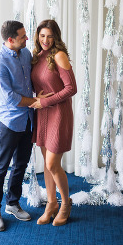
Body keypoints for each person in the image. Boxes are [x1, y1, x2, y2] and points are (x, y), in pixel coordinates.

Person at [0, 20, 51, 232]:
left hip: (28, 120)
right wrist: (35, 101)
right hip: (8, 122)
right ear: (10, 40)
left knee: (21, 165)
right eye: (23, 36)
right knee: (0, 168)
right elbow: (10, 97)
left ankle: (12, 203)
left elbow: (34, 78)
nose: (27, 38)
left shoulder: (25, 54)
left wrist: (42, 94)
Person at [29, 20, 78, 226]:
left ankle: (65, 203)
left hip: (58, 113)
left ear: (55, 37)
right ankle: (51, 204)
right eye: (42, 36)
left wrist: (45, 101)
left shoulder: (59, 55)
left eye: (49, 36)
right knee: (47, 165)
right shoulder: (37, 56)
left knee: (52, 163)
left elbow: (71, 88)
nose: (45, 40)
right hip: (43, 114)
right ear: (37, 36)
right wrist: (36, 96)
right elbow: (39, 83)